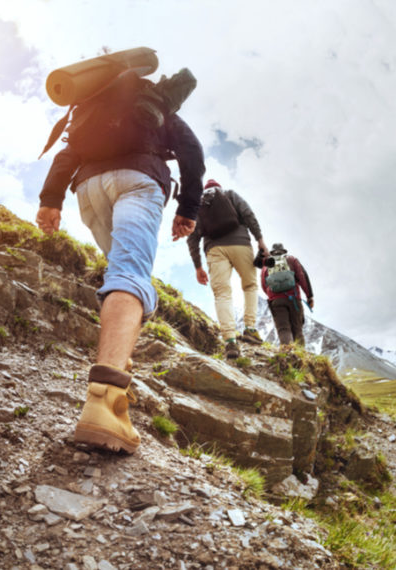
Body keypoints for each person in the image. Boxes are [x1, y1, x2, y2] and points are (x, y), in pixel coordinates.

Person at [36, 79, 205, 454]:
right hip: (138, 180)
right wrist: (188, 209)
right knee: (129, 274)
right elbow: (192, 151)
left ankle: (119, 369)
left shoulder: (91, 105)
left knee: (119, 272)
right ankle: (105, 401)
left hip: (89, 190)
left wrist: (51, 200)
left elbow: (67, 155)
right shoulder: (156, 102)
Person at [187, 180, 269, 359]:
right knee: (250, 286)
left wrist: (198, 266)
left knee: (222, 293)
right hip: (241, 244)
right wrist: (260, 240)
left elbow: (192, 238)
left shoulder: (199, 206)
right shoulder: (230, 195)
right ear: (219, 187)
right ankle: (250, 329)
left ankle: (230, 342)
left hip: (214, 251)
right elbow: (248, 214)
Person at [259, 243, 314, 346]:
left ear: (272, 252)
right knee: (297, 330)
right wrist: (309, 296)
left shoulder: (266, 265)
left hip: (276, 302)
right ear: (284, 251)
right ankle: (300, 357)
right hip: (294, 299)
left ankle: (287, 354)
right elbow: (303, 277)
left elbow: (264, 285)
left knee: (283, 329)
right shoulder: (291, 260)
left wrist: (273, 295)